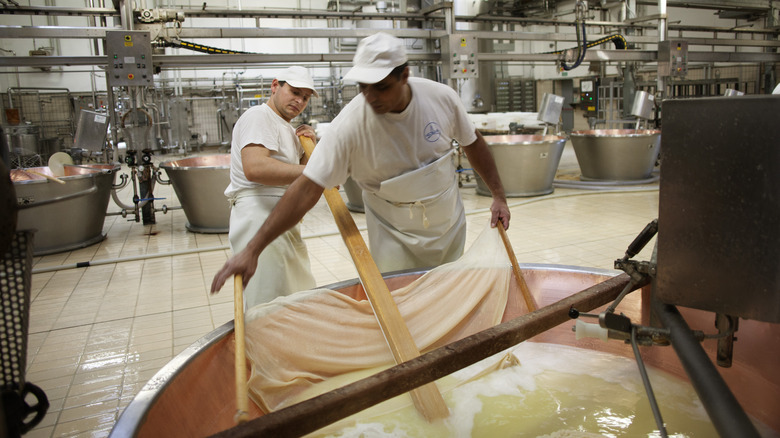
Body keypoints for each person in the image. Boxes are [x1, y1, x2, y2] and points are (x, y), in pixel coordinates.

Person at [212, 32, 509, 293]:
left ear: (404, 75)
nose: (370, 97)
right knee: (402, 298)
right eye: (363, 87)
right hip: (395, 233)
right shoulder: (350, 126)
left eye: (380, 87)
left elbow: (473, 143)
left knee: (449, 292)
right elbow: (307, 188)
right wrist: (252, 250)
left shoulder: (440, 98)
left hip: (446, 221)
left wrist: (498, 195)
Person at [222, 66, 318, 309]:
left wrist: (310, 148)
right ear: (276, 86)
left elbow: (300, 177)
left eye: (305, 97)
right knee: (270, 303)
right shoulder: (259, 116)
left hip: (281, 220)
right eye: (294, 92)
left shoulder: (287, 128)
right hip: (258, 218)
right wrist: (317, 171)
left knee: (294, 298)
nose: (299, 101)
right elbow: (255, 168)